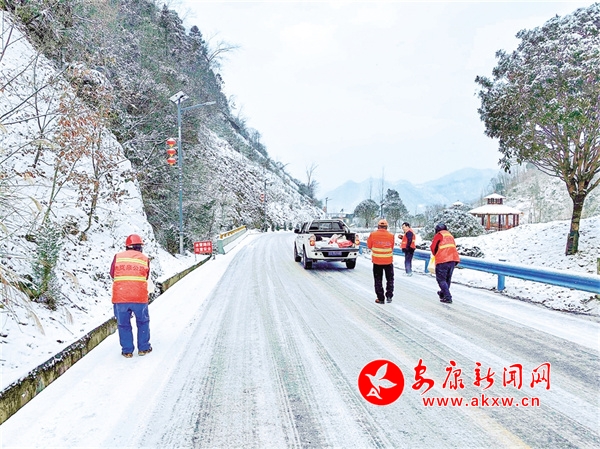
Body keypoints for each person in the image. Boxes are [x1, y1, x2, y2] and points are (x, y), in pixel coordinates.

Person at [110, 234, 152, 358]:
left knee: (123, 324)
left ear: (127, 246)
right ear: (140, 247)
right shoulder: (145, 259)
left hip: (120, 297)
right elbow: (146, 276)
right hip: (139, 297)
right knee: (143, 322)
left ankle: (127, 351)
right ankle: (143, 348)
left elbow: (112, 274)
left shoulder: (118, 257)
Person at [430, 223, 460, 304]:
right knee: (447, 279)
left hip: (443, 260)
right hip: (453, 259)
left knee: (441, 279)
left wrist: (435, 254)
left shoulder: (439, 235)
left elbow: (433, 248)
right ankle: (443, 293)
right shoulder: (450, 235)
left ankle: (447, 297)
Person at [367, 219, 395, 304]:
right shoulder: (391, 235)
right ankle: (389, 296)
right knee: (390, 279)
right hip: (388, 261)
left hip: (377, 261)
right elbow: (392, 247)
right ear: (386, 227)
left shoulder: (373, 234)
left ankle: (381, 298)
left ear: (378, 226)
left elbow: (369, 246)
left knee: (378, 280)